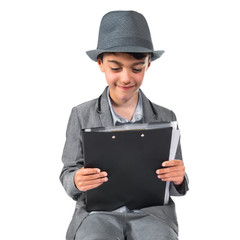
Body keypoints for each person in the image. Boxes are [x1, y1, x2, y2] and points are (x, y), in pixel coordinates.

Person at [60, 10, 189, 240]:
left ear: (148, 65)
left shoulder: (165, 117)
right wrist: (77, 179)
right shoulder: (81, 114)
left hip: (151, 214)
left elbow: (174, 179)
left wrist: (179, 178)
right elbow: (68, 172)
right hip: (97, 214)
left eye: (136, 68)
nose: (126, 78)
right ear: (100, 64)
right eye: (116, 68)